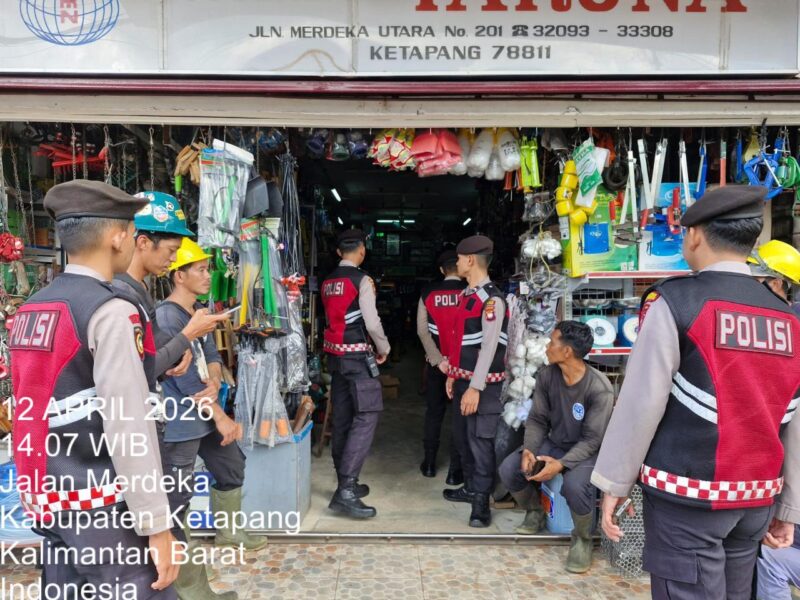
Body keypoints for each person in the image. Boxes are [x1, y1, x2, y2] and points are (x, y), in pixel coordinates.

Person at [591, 186, 800, 599]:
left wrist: (614, 484)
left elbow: (640, 404)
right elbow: (793, 417)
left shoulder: (677, 302)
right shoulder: (787, 319)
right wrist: (790, 505)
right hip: (756, 500)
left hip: (688, 500)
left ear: (695, 236)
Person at [9, 180, 179, 598]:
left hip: (51, 501)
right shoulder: (110, 311)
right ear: (117, 237)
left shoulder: (32, 308)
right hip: (102, 507)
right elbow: (128, 425)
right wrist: (156, 524)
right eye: (132, 232)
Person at [157, 238, 267, 598]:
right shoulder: (168, 317)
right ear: (179, 276)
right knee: (178, 501)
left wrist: (217, 377)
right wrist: (221, 416)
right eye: (201, 270)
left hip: (202, 416)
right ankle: (189, 587)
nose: (208, 275)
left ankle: (229, 532)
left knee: (231, 464)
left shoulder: (198, 311)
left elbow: (211, 355)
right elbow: (186, 379)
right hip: (182, 421)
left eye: (208, 269)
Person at [498, 320, 613, 572]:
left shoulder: (599, 388)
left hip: (587, 451)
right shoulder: (548, 375)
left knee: (574, 486)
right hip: (555, 442)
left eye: (551, 342)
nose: (547, 347)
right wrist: (530, 449)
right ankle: (535, 511)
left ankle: (582, 539)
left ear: (567, 351)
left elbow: (592, 440)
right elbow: (538, 419)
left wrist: (560, 465)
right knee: (510, 468)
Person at [320, 229, 391, 519]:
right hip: (357, 357)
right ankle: (346, 490)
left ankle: (344, 480)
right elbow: (371, 322)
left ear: (339, 252)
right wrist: (384, 347)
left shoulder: (327, 282)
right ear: (362, 249)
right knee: (367, 415)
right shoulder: (362, 280)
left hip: (335, 358)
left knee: (343, 418)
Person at [444, 235, 508, 528]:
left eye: (459, 258)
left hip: (484, 387)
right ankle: (471, 488)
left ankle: (481, 504)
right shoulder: (466, 295)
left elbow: (489, 348)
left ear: (470, 260)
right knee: (463, 439)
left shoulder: (491, 300)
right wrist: (452, 373)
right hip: (463, 382)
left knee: (480, 442)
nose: (456, 263)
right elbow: (460, 340)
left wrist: (475, 387)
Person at [416, 249, 465, 482]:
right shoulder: (470, 292)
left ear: (441, 270)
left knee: (434, 413)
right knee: (460, 416)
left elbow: (422, 331)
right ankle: (455, 472)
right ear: (462, 267)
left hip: (438, 366)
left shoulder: (428, 293)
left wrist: (438, 360)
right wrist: (456, 362)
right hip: (463, 366)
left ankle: (429, 463)